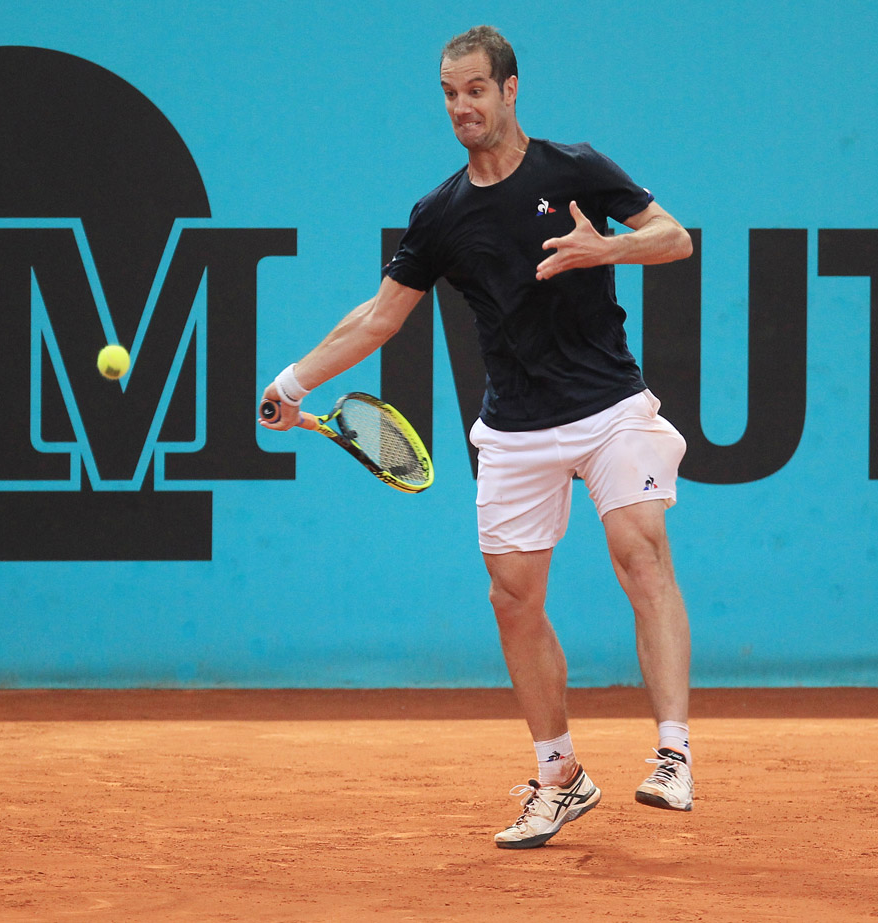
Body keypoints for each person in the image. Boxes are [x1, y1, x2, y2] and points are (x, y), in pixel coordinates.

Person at [260, 25, 695, 849]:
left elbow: (675, 237)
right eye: (449, 94)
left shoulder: (574, 168)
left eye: (475, 90)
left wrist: (607, 247)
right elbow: (379, 316)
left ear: (509, 89)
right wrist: (293, 382)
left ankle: (673, 754)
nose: (462, 106)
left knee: (639, 548)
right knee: (511, 599)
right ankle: (560, 776)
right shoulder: (440, 214)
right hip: (516, 424)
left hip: (608, 404)